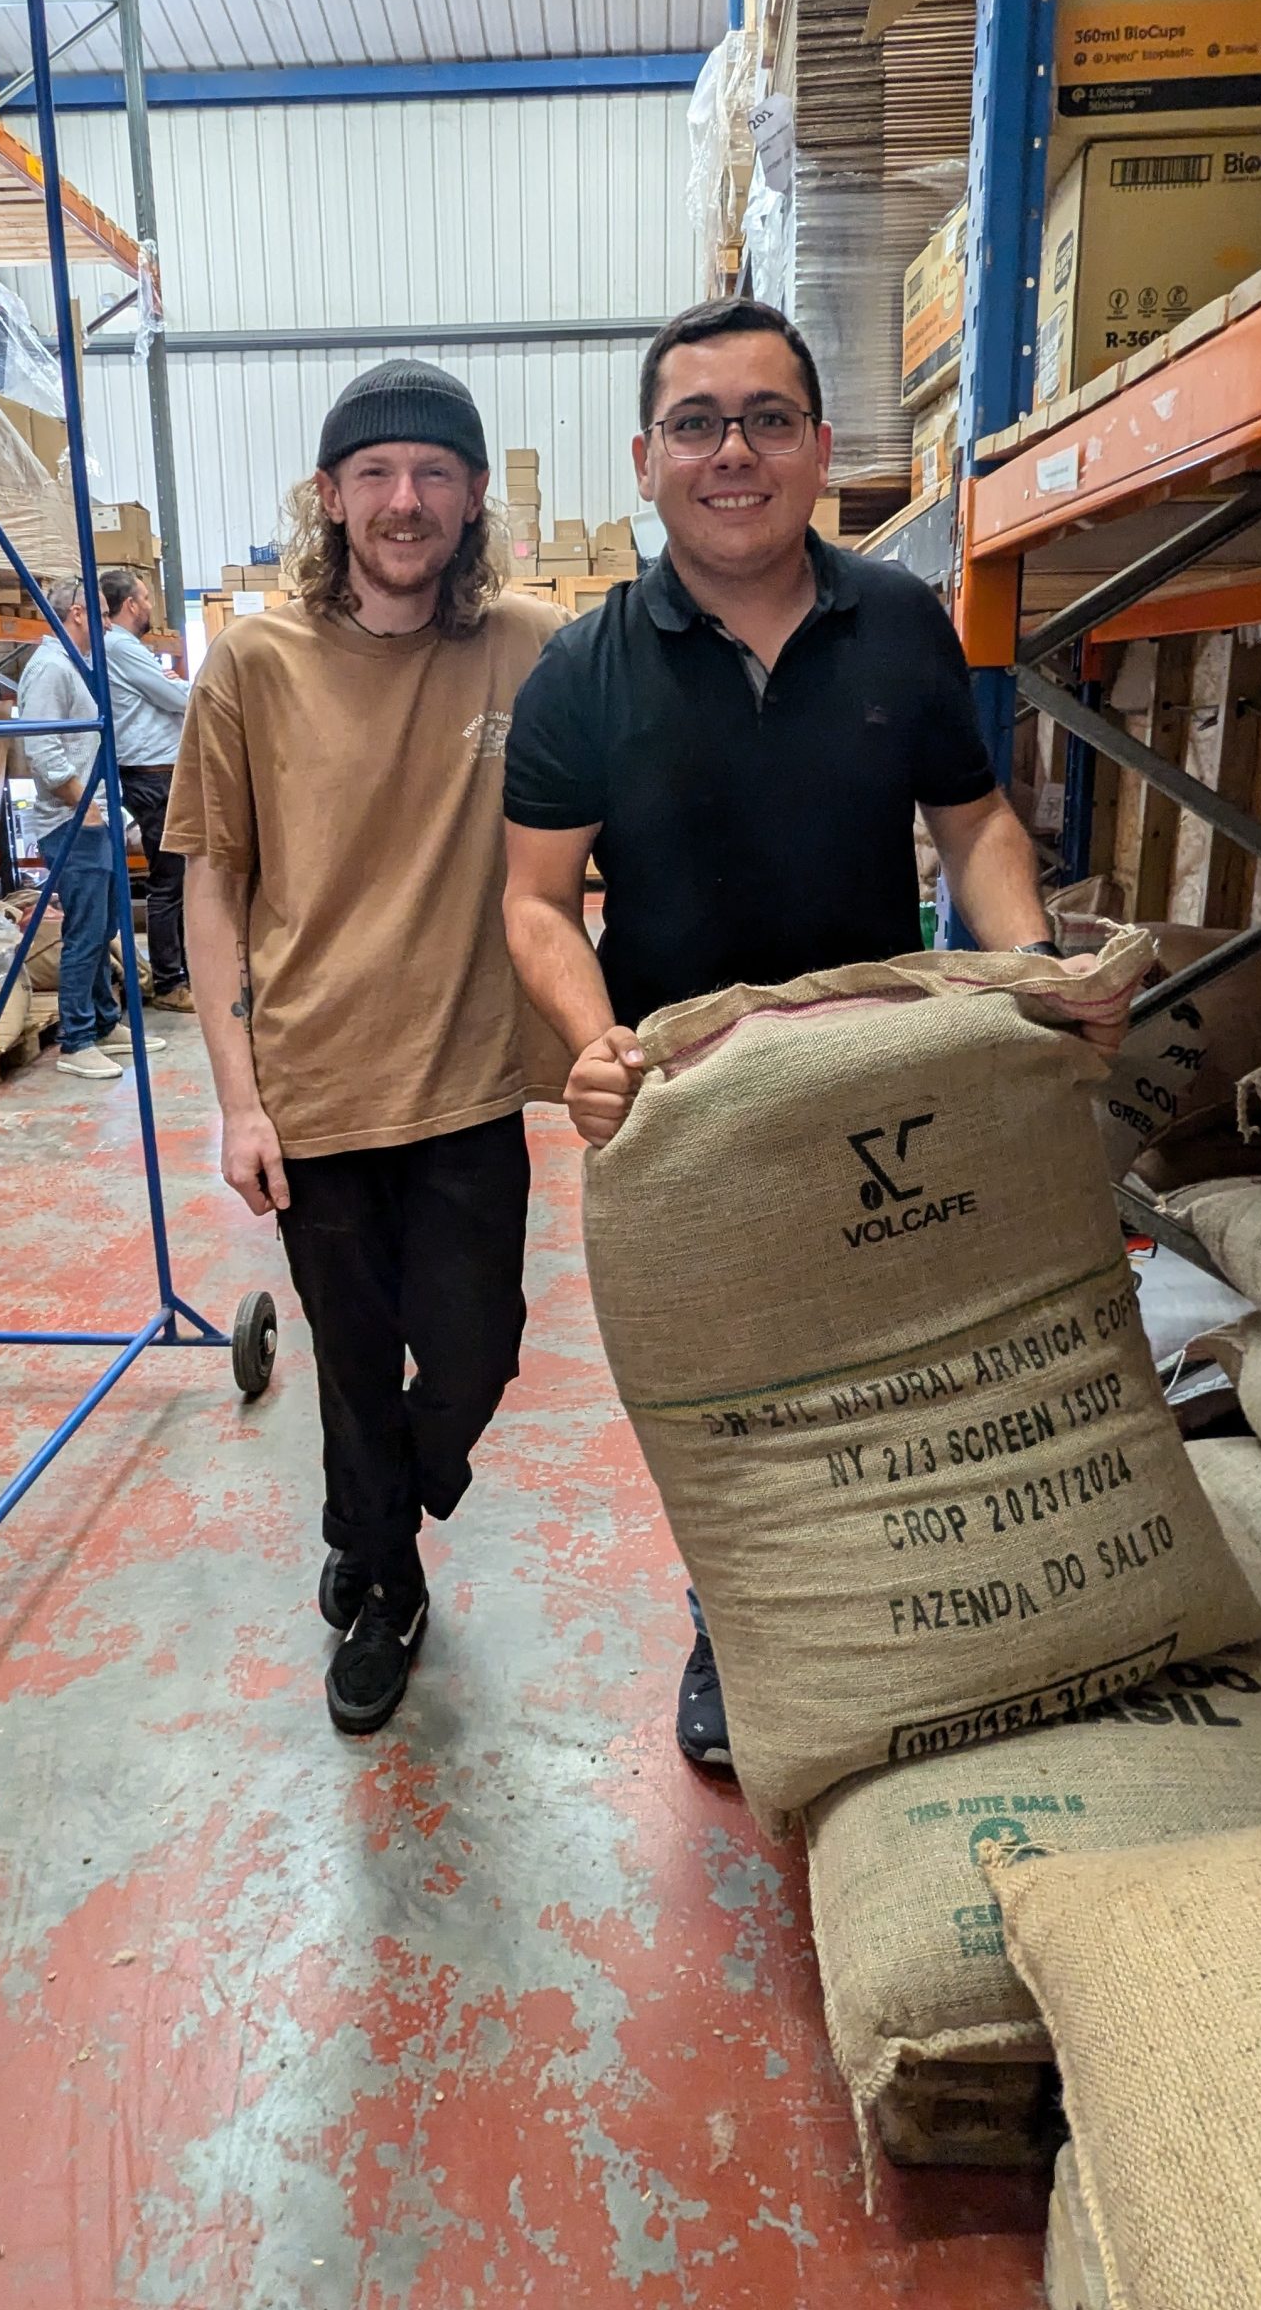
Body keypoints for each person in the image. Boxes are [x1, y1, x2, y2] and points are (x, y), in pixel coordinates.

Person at [501, 297, 1126, 1774]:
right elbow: (534, 902)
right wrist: (595, 1044)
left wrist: (1024, 969)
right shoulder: (581, 676)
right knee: (737, 1397)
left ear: (822, 451)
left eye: (769, 420)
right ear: (645, 459)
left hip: (879, 1079)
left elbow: (971, 825)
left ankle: (922, 1603)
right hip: (695, 1109)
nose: (736, 453)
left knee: (898, 1356)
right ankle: (739, 1618)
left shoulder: (901, 623)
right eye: (700, 425)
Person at [165, 360, 567, 1738]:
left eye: (435, 474)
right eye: (377, 474)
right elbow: (211, 886)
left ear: (471, 501)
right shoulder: (254, 667)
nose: (406, 500)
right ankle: (386, 1582)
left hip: (466, 1082)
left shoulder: (536, 644)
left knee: (478, 1356)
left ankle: (370, 1509)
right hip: (315, 1090)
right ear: (329, 498)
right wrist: (235, 1102)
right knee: (349, 1360)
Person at [17, 576, 164, 1086]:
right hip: (70, 822)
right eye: (101, 613)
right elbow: (42, 751)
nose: (107, 622)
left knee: (104, 929)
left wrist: (110, 814)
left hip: (93, 817)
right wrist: (87, 809)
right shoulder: (50, 669)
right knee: (84, 933)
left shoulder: (77, 667)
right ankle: (76, 1041)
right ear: (77, 613)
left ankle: (103, 1023)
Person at [99, 565, 195, 1013]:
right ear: (132, 604)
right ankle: (169, 979)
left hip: (161, 773)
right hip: (151, 776)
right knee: (168, 880)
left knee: (177, 877)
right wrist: (180, 687)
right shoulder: (120, 646)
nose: (151, 606)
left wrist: (173, 687)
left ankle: (180, 972)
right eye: (146, 598)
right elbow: (177, 698)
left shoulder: (126, 648)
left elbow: (167, 692)